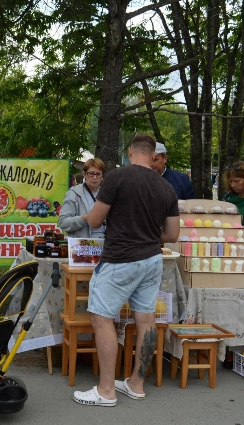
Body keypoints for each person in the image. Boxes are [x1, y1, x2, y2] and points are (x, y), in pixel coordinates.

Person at [73, 134, 179, 407]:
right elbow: (172, 234)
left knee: (101, 318)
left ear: (130, 152)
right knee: (145, 320)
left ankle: (106, 390)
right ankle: (136, 383)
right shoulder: (166, 187)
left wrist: (85, 216)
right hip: (152, 259)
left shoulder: (117, 178)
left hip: (120, 258)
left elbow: (96, 220)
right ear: (153, 156)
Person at [58, 158, 106, 238]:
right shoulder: (73, 194)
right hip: (82, 245)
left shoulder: (107, 194)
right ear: (84, 174)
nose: (94, 177)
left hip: (105, 243)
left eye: (98, 174)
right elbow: (63, 223)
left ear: (102, 176)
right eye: (91, 173)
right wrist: (83, 218)